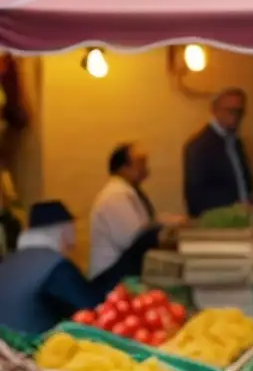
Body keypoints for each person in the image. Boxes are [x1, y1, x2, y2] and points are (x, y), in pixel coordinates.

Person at [0, 201, 100, 334]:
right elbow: (93, 309)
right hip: (31, 350)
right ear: (64, 231)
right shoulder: (56, 266)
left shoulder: (8, 261)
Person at [88, 143, 163, 291]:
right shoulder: (115, 195)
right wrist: (159, 226)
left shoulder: (129, 192)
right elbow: (132, 239)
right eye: (140, 163)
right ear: (123, 168)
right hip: (109, 278)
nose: (145, 168)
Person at [183, 87, 253, 218]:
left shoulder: (235, 143)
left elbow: (242, 184)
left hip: (239, 219)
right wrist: (236, 208)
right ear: (214, 110)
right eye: (230, 111)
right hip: (217, 225)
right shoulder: (199, 147)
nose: (235, 116)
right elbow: (195, 198)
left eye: (240, 111)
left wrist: (252, 198)